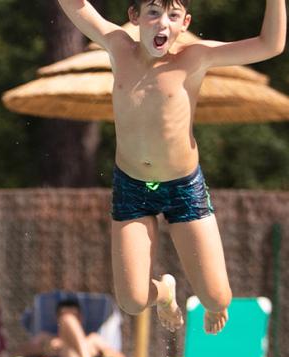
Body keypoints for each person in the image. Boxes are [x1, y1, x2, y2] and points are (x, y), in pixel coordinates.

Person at [56, 0, 286, 334]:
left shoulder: (194, 58)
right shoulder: (117, 45)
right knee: (132, 302)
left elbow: (271, 44)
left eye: (173, 16)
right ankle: (164, 292)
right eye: (153, 13)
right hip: (132, 186)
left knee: (218, 299)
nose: (163, 23)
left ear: (184, 23)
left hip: (183, 187)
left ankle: (212, 304)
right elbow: (73, 5)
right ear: (134, 17)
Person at [16, 296, 127, 357]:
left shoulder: (92, 340)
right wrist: (45, 348)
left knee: (73, 331)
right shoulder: (46, 338)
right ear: (56, 318)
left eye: (73, 316)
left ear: (81, 318)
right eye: (63, 315)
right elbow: (19, 351)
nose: (68, 320)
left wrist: (101, 352)